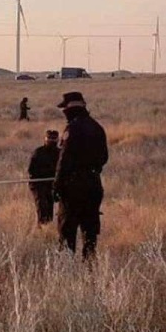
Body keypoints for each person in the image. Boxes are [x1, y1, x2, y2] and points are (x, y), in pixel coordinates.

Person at [53, 92, 108, 262]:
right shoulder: (97, 127)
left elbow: (64, 160)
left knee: (67, 229)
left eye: (65, 108)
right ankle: (89, 266)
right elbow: (104, 157)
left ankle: (67, 267)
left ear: (70, 108)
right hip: (93, 184)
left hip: (73, 187)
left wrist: (57, 185)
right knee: (90, 230)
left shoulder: (72, 129)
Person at [28, 130, 60, 225]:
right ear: (45, 139)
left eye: (53, 139)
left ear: (57, 140)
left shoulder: (60, 153)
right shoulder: (38, 152)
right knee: (42, 205)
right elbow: (31, 170)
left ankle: (47, 227)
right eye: (49, 138)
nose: (51, 141)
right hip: (38, 183)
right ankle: (42, 226)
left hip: (52, 183)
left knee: (50, 205)